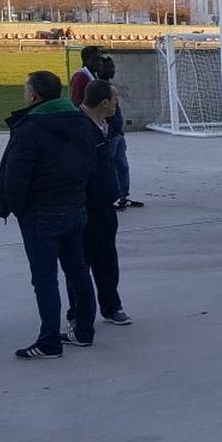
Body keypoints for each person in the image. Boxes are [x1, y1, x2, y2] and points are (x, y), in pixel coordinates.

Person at [0, 71, 100, 359]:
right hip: (74, 207)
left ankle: (49, 341)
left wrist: (19, 209)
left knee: (45, 279)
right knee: (78, 271)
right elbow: (92, 163)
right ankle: (84, 331)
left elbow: (16, 177)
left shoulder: (29, 128)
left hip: (41, 212)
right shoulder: (80, 121)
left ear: (33, 95)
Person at [77, 79, 130, 326]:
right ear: (104, 102)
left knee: (107, 258)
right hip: (85, 207)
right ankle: (77, 313)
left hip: (105, 205)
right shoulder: (78, 127)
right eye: (115, 100)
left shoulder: (106, 124)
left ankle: (111, 306)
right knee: (80, 262)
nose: (118, 104)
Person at [72, 47, 140, 210]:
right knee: (105, 165)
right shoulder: (81, 77)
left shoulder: (96, 77)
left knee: (121, 164)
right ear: (87, 60)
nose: (100, 64)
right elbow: (77, 102)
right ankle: (107, 198)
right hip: (101, 129)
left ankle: (122, 196)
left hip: (112, 129)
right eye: (96, 60)